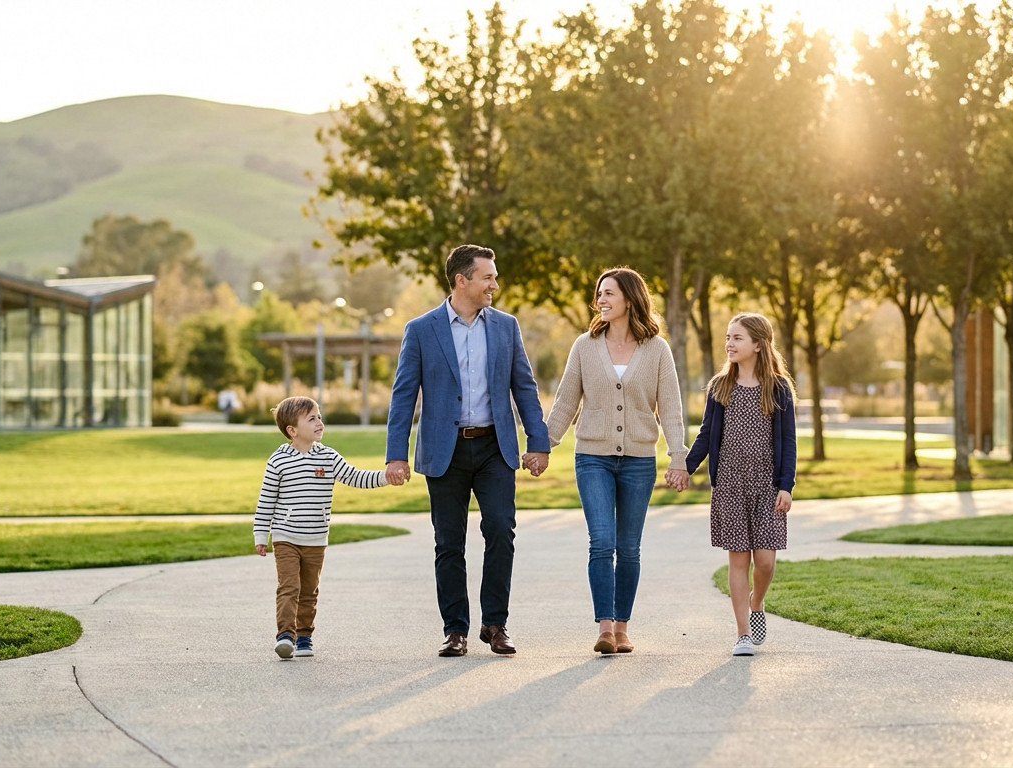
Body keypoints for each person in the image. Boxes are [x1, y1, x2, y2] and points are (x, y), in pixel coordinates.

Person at [385, 244, 551, 657]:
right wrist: (396, 454)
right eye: (488, 277)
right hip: (446, 452)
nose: (495, 284)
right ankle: (455, 628)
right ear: (462, 280)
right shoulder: (421, 330)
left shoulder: (506, 327)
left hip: (495, 448)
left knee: (500, 531)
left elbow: (524, 388)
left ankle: (495, 625)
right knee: (449, 543)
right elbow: (404, 395)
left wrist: (539, 443)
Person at [545, 267, 690, 655]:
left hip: (640, 460)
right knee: (602, 542)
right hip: (593, 456)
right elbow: (565, 402)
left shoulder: (657, 349)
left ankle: (623, 628)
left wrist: (678, 458)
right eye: (599, 294)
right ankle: (605, 628)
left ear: (630, 297)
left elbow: (672, 409)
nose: (602, 300)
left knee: (628, 547)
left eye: (609, 293)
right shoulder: (584, 346)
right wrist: (544, 444)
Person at [681, 312, 797, 657]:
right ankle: (742, 633)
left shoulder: (778, 389)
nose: (729, 344)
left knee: (765, 562)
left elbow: (789, 442)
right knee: (738, 561)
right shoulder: (720, 387)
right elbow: (705, 436)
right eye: (728, 338)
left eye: (737, 338)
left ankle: (756, 601)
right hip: (730, 483)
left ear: (758, 345)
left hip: (767, 484)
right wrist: (685, 468)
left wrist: (786, 485)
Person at [254, 395, 403, 659]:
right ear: (292, 430)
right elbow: (266, 499)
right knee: (289, 587)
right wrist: (260, 533)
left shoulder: (328, 457)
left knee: (309, 591)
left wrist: (385, 478)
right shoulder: (278, 460)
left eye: (319, 416)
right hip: (286, 537)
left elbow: (356, 477)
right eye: (311, 419)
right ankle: (285, 635)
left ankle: (304, 638)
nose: (319, 422)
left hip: (316, 539)